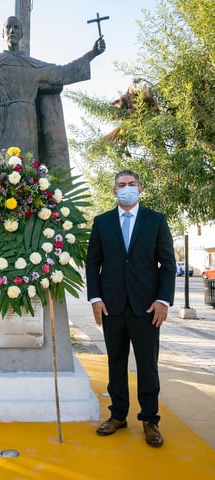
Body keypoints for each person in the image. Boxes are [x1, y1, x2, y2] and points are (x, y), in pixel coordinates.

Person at [85, 170, 176, 447]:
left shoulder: (156, 221)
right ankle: (118, 415)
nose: (127, 189)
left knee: (148, 365)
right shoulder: (102, 223)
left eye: (131, 184)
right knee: (115, 362)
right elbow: (93, 263)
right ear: (114, 192)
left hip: (147, 307)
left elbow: (168, 264)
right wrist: (95, 298)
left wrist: (163, 300)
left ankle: (150, 420)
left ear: (140, 189)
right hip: (111, 306)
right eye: (121, 185)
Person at [0, 15, 105, 172]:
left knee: (27, 168)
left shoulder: (33, 65)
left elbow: (62, 73)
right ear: (3, 33)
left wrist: (92, 54)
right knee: (2, 167)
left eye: (16, 27)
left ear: (21, 34)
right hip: (3, 123)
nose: (12, 31)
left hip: (28, 125)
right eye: (8, 27)